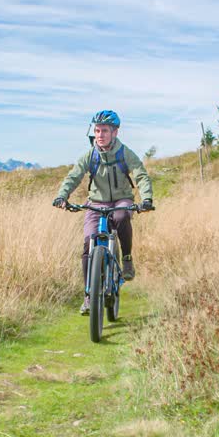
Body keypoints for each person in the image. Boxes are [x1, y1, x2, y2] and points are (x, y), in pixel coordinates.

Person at [53, 110, 154, 314]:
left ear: (115, 132)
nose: (100, 135)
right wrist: (62, 196)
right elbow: (73, 176)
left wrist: (146, 199)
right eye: (97, 131)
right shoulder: (90, 155)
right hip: (96, 202)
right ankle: (89, 296)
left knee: (121, 216)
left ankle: (126, 259)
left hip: (121, 199)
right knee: (88, 242)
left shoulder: (125, 153)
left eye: (104, 131)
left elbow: (141, 175)